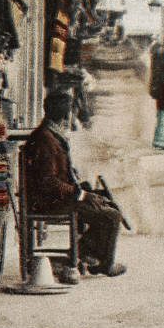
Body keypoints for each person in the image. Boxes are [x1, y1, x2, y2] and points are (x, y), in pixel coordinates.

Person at [21, 90, 126, 281]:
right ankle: (99, 262)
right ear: (65, 115)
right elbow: (49, 181)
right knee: (112, 215)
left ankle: (84, 255)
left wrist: (84, 189)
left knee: (107, 204)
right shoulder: (46, 140)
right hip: (49, 202)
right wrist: (82, 195)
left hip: (56, 197)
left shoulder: (49, 134)